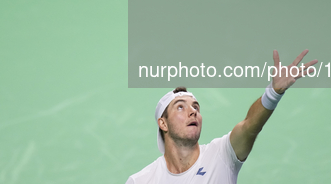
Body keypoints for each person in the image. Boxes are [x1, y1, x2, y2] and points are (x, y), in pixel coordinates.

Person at [125, 49, 318, 184]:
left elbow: (251, 126)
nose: (193, 111)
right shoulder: (140, 181)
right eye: (180, 107)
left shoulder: (222, 154)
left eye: (196, 107)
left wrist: (273, 93)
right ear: (163, 123)